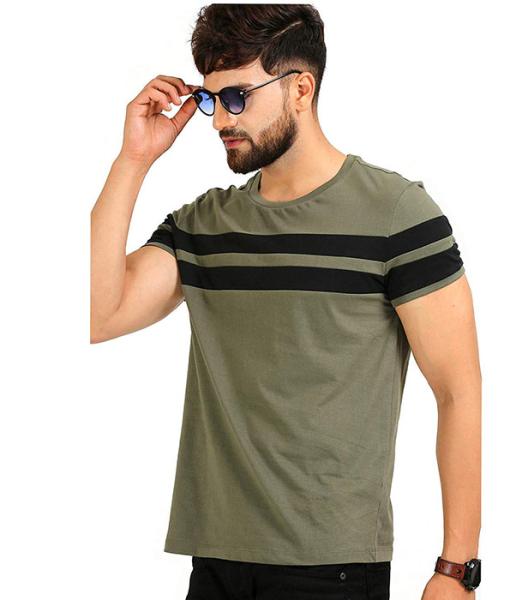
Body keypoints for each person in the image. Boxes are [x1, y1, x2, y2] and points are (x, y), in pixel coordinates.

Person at [90, 4, 481, 599]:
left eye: (237, 97)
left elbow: (458, 391)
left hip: (332, 570)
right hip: (215, 563)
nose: (221, 119)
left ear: (301, 89)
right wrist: (133, 160)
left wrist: (457, 569)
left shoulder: (397, 215)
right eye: (210, 99)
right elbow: (97, 313)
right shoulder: (204, 225)